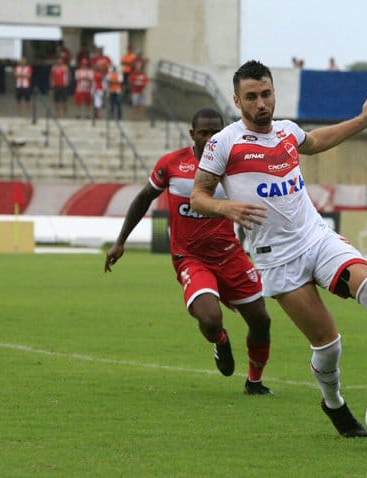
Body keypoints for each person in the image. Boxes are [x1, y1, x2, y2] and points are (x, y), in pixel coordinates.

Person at [190, 60, 367, 438]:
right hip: (276, 259)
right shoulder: (223, 143)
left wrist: (362, 121)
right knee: (328, 346)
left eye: (266, 94)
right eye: (252, 97)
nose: (261, 103)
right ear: (237, 100)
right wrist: (225, 206)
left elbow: (317, 141)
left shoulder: (286, 131)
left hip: (315, 237)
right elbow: (199, 196)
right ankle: (333, 404)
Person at [104, 108, 273, 395]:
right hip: (191, 258)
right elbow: (144, 197)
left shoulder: (234, 166)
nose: (209, 138)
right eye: (203, 132)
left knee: (261, 320)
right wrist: (121, 241)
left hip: (230, 255)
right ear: (192, 134)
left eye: (215, 132)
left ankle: (254, 382)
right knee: (209, 318)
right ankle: (220, 340)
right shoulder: (172, 164)